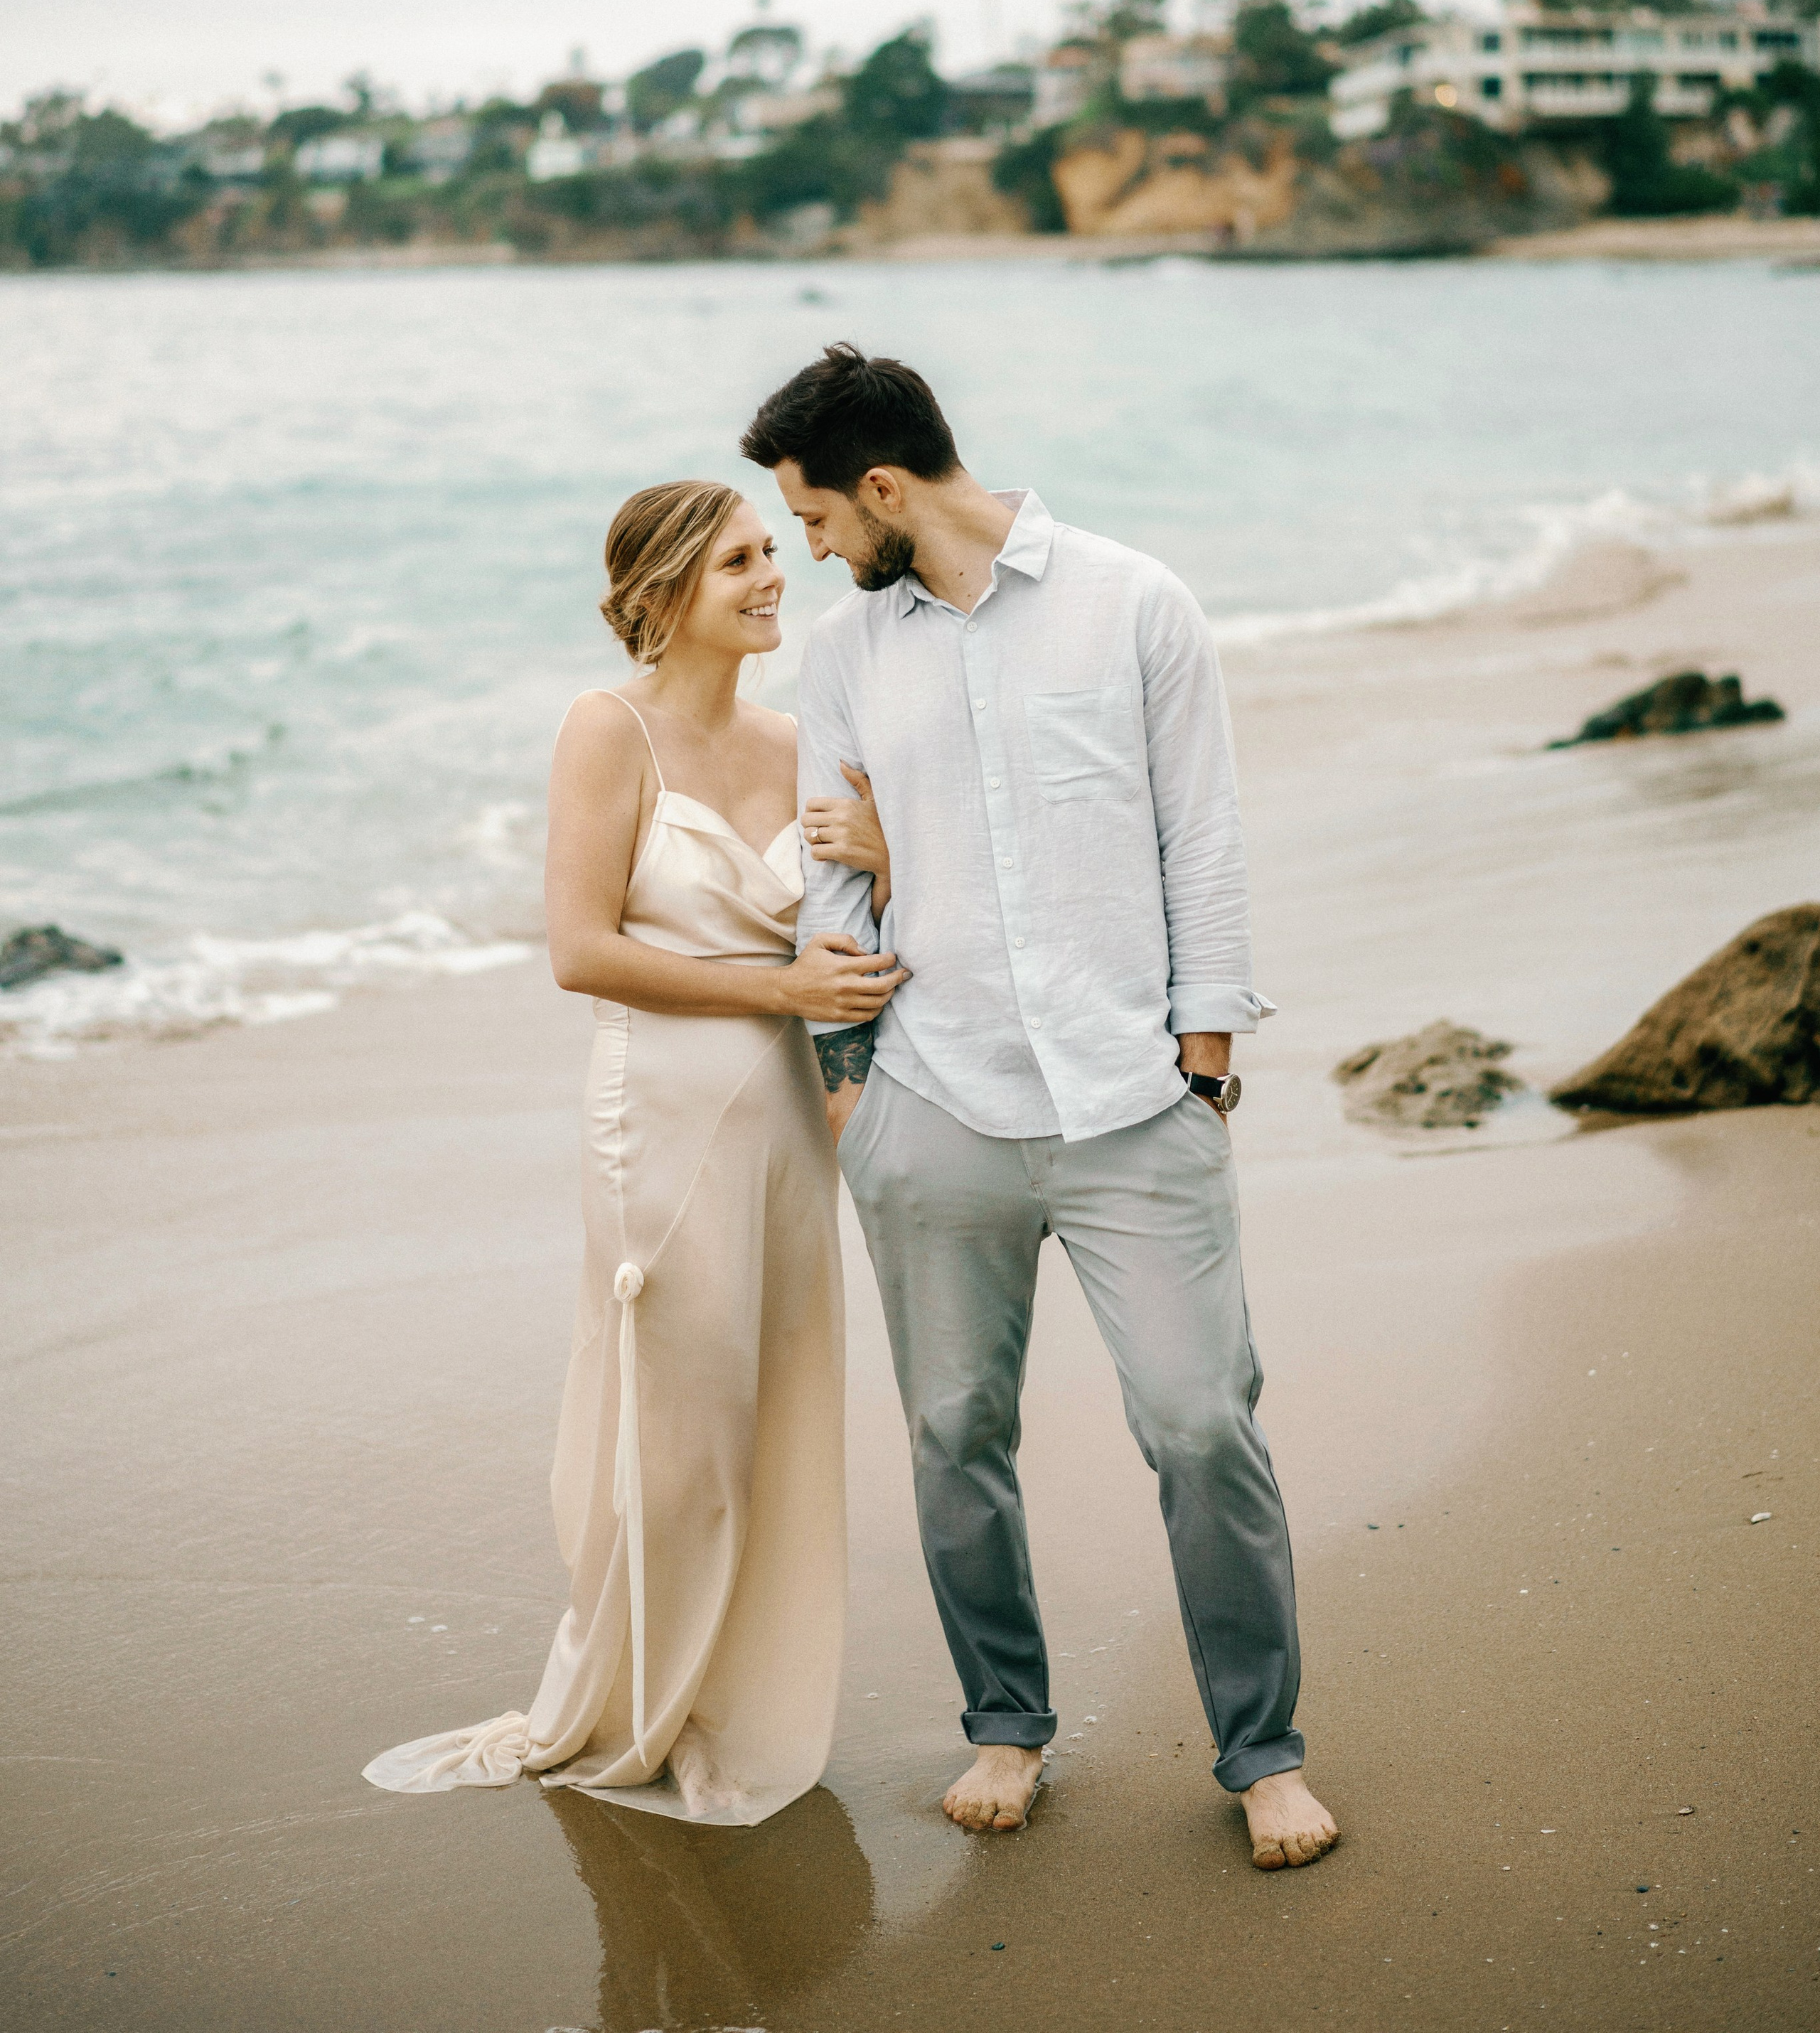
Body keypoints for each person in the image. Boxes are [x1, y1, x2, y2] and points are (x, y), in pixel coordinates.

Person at [742, 347, 1339, 1871]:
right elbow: (829, 881)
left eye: (812, 517)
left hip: (1132, 1098)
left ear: (880, 487)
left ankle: (1260, 1751)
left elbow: (1199, 844)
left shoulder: (1134, 601)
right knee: (953, 1434)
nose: (809, 548)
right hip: (931, 1095)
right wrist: (846, 1097)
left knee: (1202, 1425)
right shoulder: (846, 652)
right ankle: (1005, 1725)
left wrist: (1203, 1076)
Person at [363, 481, 904, 1825]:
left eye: (774, 551)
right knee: (681, 1429)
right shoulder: (607, 732)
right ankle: (633, 1702)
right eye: (738, 561)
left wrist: (889, 860)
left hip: (790, 1122)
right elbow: (580, 951)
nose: (773, 576)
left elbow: (859, 930)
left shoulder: (798, 738)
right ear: (664, 594)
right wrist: (779, 994)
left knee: (773, 1410)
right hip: (658, 1114)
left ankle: (737, 1698)